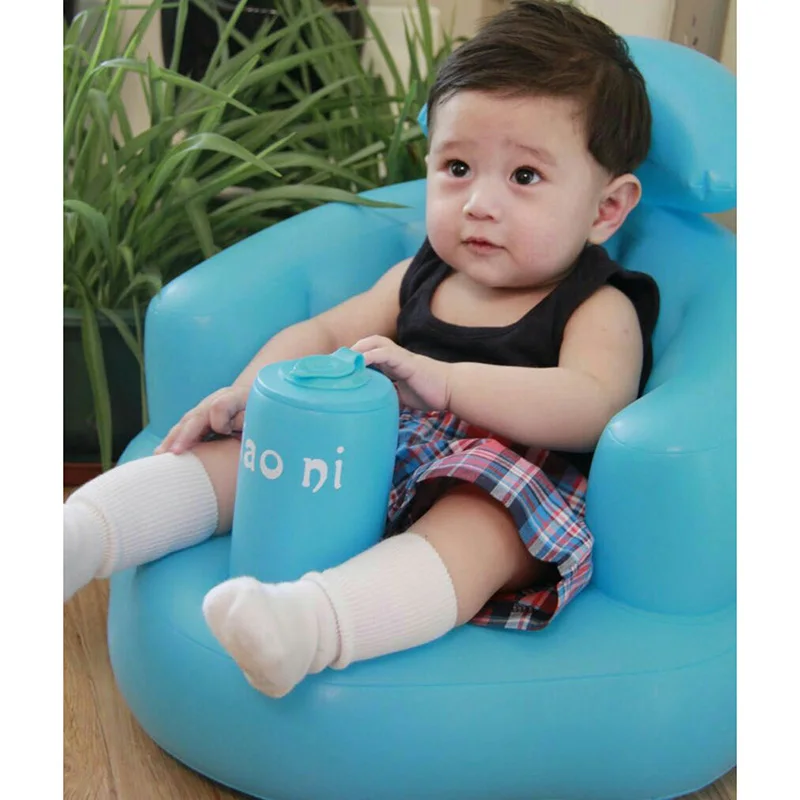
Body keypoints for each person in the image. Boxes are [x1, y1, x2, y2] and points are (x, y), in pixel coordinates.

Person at [64, 0, 659, 699]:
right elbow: (322, 333)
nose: (479, 203)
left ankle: (307, 627)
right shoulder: (419, 276)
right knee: (240, 456)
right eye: (458, 166)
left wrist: (448, 383)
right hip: (373, 449)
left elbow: (593, 404)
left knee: (481, 529)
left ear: (606, 209)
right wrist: (253, 391)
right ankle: (77, 535)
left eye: (524, 177)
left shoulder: (597, 304)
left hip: (505, 480)